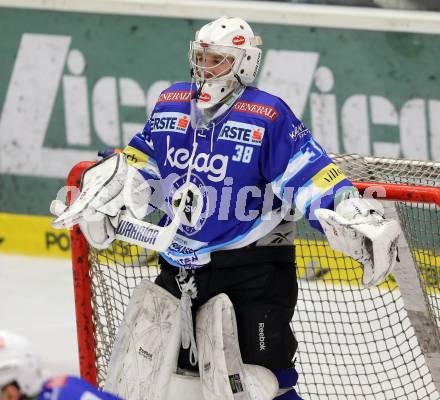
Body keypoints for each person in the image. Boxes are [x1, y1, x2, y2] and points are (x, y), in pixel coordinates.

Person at [51, 16, 398, 400]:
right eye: (201, 57)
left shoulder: (267, 114)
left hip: (252, 273)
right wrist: (118, 182)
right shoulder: (171, 102)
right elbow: (144, 159)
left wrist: (346, 209)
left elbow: (307, 171)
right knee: (161, 379)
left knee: (261, 383)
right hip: (179, 267)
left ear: (245, 62)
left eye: (217, 59)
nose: (205, 67)